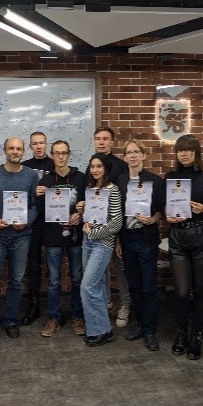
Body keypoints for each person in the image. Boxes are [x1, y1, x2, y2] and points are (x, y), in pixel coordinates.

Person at [0, 137, 39, 349]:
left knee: (17, 281)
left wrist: (27, 220)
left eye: (18, 148)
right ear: (4, 150)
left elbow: (35, 205)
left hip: (22, 236)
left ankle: (11, 321)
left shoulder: (31, 175)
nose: (15, 151)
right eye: (11, 148)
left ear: (23, 151)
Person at [165, 134, 203, 360]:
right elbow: (165, 205)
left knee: (199, 290)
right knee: (181, 291)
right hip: (178, 236)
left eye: (188, 150)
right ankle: (182, 332)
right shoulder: (171, 177)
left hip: (201, 236)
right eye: (180, 150)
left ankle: (196, 336)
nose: (184, 154)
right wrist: (168, 216)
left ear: (196, 153)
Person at [116, 139, 165, 351]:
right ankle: (140, 325)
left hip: (146, 239)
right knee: (134, 286)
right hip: (127, 239)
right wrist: (118, 241)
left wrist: (153, 219)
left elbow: (161, 209)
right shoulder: (120, 181)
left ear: (144, 155)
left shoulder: (155, 181)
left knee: (149, 287)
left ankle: (150, 329)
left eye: (137, 152)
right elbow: (116, 212)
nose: (133, 155)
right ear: (125, 157)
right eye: (129, 152)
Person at [36, 140, 86, 337]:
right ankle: (54, 318)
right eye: (57, 153)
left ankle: (77, 316)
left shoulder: (81, 178)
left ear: (68, 154)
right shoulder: (45, 180)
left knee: (77, 278)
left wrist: (80, 214)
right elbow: (39, 209)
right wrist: (37, 196)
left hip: (76, 236)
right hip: (52, 237)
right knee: (54, 280)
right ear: (52, 155)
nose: (61, 156)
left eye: (64, 153)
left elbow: (90, 203)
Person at [86, 126, 131, 327]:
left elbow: (124, 204)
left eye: (105, 138)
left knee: (121, 269)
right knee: (100, 270)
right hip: (96, 231)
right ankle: (106, 302)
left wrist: (119, 237)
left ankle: (126, 304)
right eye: (98, 138)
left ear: (112, 142)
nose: (101, 142)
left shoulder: (121, 166)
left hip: (116, 228)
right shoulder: (91, 166)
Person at [77, 153, 123, 347]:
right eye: (92, 166)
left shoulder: (113, 190)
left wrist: (94, 233)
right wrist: (81, 211)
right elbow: (90, 219)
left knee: (87, 287)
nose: (95, 170)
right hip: (87, 242)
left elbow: (117, 223)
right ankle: (101, 329)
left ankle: (100, 330)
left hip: (102, 244)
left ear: (106, 169)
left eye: (99, 166)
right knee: (96, 287)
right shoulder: (90, 189)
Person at [20, 131, 54, 326]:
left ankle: (54, 308)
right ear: (30, 146)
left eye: (42, 143)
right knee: (32, 264)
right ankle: (34, 305)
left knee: (53, 264)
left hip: (52, 222)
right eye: (35, 143)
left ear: (46, 144)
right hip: (32, 222)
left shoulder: (54, 165)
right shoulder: (25, 167)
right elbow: (19, 193)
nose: (39, 146)